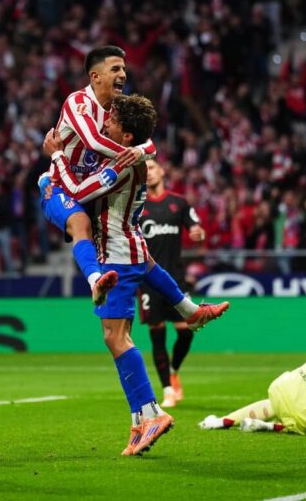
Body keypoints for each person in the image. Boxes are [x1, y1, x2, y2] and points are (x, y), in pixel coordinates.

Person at [43, 94, 229, 457]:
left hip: (116, 255)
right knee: (131, 312)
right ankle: (188, 315)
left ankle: (153, 413)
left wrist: (57, 156)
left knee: (115, 338)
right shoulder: (134, 155)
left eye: (112, 122)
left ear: (127, 136)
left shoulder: (121, 166)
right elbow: (146, 147)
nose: (105, 124)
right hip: (130, 245)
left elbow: (78, 191)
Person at [40, 45, 156, 305]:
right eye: (115, 69)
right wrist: (134, 155)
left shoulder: (118, 107)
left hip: (93, 189)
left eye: (124, 69)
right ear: (95, 76)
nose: (123, 74)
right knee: (81, 223)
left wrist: (141, 151)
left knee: (136, 246)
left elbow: (147, 140)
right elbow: (93, 141)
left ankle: (186, 308)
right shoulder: (78, 102)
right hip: (60, 186)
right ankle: (95, 283)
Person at [138, 159, 206, 408]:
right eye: (144, 169)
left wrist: (199, 233)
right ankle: (167, 390)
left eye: (152, 167)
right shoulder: (137, 206)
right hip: (147, 280)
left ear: (162, 171)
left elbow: (197, 228)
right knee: (157, 335)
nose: (148, 173)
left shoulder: (179, 202)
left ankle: (174, 370)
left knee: (186, 332)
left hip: (175, 279)